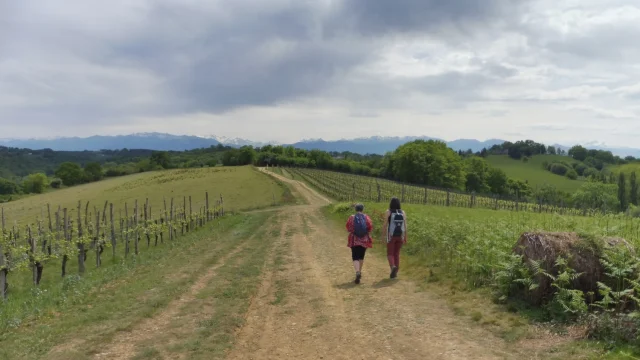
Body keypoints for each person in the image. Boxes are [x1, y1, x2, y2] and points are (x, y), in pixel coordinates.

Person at [346, 203, 373, 284]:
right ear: (362, 209)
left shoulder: (352, 217)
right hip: (364, 240)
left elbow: (348, 227)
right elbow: (370, 227)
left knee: (355, 256)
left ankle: (357, 272)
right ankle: (359, 272)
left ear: (355, 209)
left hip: (354, 239)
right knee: (361, 256)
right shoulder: (366, 217)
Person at [383, 197, 407, 279]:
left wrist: (383, 235)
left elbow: (385, 224)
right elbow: (405, 226)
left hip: (391, 236)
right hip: (400, 236)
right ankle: (395, 273)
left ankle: (393, 267)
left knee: (390, 253)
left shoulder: (388, 212)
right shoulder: (402, 212)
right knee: (396, 254)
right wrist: (405, 236)